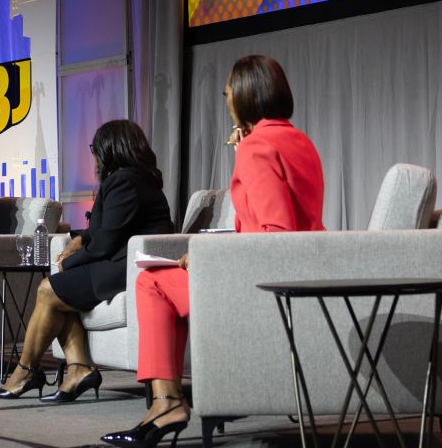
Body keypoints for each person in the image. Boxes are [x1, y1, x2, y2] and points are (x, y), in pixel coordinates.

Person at [101, 55, 324, 447]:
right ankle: (182, 397)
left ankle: (167, 402)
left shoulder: (257, 148)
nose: (225, 99)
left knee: (150, 281)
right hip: (301, 280)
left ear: (244, 96)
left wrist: (208, 258)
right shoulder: (300, 142)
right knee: (169, 285)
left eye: (227, 93)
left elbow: (276, 236)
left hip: (264, 291)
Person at [0, 119, 174, 402]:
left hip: (125, 267)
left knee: (49, 290)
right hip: (122, 260)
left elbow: (106, 241)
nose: (94, 156)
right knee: (62, 293)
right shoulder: (137, 179)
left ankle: (25, 372)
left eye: (95, 149)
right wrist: (78, 239)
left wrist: (70, 261)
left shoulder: (124, 181)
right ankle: (78, 369)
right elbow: (107, 228)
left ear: (110, 148)